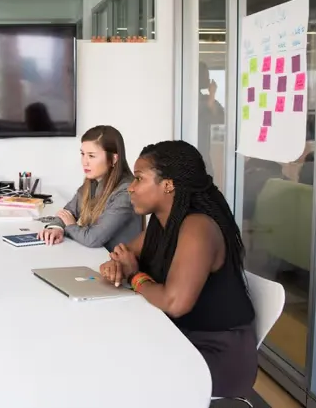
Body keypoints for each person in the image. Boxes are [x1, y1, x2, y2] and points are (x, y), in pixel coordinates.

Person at [101, 140, 257, 398]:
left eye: (139, 178)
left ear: (168, 184)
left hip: (214, 354)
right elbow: (123, 253)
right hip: (178, 335)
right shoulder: (163, 222)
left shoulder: (198, 227)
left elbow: (175, 303)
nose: (131, 187)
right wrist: (115, 265)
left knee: (117, 370)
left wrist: (135, 275)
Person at [37, 125, 142, 250]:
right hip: (98, 256)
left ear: (114, 159)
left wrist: (70, 226)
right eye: (83, 154)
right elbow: (68, 212)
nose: (84, 162)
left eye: (91, 156)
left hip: (116, 260)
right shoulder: (92, 181)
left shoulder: (126, 192)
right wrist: (56, 228)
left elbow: (92, 238)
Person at [197, 62, 224, 176]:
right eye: (206, 75)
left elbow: (220, 119)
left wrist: (211, 95)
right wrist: (211, 95)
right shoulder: (190, 98)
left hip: (203, 150)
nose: (208, 79)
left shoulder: (206, 99)